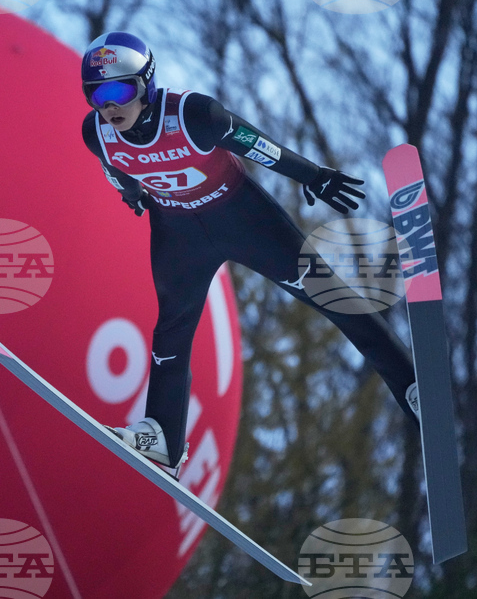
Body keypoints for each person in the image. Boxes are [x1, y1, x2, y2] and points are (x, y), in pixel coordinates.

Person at [80, 31, 420, 476]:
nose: (108, 106)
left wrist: (313, 175)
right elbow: (116, 168)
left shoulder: (193, 114)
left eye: (117, 90)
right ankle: (164, 436)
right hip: (179, 234)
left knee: (327, 293)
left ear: (146, 81)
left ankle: (411, 384)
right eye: (96, 96)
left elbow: (258, 145)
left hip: (241, 218)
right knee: (172, 330)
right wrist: (132, 194)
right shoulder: (97, 133)